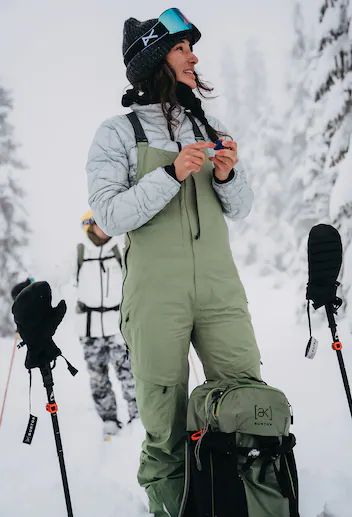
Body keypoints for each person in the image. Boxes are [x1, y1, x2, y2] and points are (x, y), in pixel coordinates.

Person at [86, 7, 261, 515]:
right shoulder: (116, 133)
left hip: (219, 290)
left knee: (246, 400)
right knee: (164, 425)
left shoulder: (209, 124)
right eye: (182, 48)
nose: (194, 57)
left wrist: (227, 175)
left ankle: (247, 502)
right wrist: (171, 175)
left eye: (190, 48)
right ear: (154, 60)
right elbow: (111, 214)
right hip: (154, 297)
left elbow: (243, 208)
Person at [76, 210, 138, 439]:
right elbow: (55, 276)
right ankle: (109, 419)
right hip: (89, 328)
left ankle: (137, 416)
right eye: (98, 223)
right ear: (90, 226)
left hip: (118, 326)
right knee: (98, 377)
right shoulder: (80, 251)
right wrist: (29, 286)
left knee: (129, 373)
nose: (104, 227)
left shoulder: (120, 248)